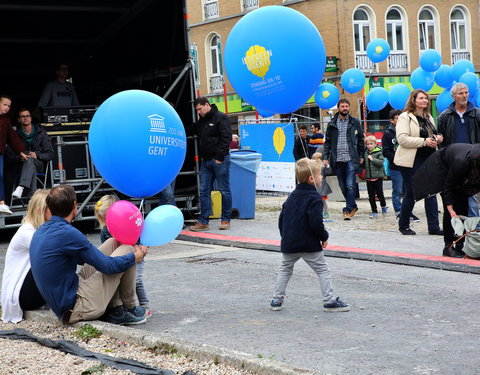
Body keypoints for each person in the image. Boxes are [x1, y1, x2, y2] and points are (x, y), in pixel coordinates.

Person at [29, 185, 148, 325]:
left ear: (49, 207)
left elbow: (84, 259)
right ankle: (125, 308)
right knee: (128, 249)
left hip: (69, 296)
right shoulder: (68, 233)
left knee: (113, 242)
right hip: (76, 307)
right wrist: (135, 257)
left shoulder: (41, 230)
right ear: (74, 206)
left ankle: (119, 307)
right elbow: (108, 266)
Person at [270, 157, 349, 312]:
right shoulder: (315, 198)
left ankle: (276, 300)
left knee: (285, 270)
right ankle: (329, 301)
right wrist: (324, 237)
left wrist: (285, 237)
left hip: (290, 242)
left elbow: (282, 219)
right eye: (320, 175)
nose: (322, 177)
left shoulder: (291, 196)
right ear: (311, 179)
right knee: (322, 270)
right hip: (309, 244)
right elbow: (316, 223)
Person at [413, 143, 480, 257]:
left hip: (463, 170)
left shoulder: (474, 164)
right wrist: (451, 210)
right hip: (443, 168)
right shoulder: (461, 163)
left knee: (463, 207)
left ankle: (459, 246)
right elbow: (447, 186)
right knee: (452, 213)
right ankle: (448, 247)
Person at [394, 89, 443, 236]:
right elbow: (402, 139)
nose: (425, 101)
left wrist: (438, 138)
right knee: (412, 192)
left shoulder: (428, 116)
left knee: (431, 192)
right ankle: (403, 225)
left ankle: (434, 227)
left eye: (426, 99)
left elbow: (432, 134)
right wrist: (424, 142)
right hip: (411, 160)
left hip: (429, 159)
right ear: (413, 100)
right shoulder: (405, 117)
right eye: (421, 98)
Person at [95, 194, 151, 317]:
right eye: (103, 218)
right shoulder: (106, 229)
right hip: (121, 258)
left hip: (136, 254)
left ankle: (144, 304)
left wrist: (145, 244)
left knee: (136, 281)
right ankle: (123, 306)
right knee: (120, 282)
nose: (106, 221)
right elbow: (105, 246)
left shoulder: (129, 219)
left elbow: (142, 231)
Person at [1, 189, 50, 323]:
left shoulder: (36, 230)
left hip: (25, 291)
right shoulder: (27, 232)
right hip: (19, 296)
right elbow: (51, 250)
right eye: (53, 209)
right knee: (52, 262)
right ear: (41, 210)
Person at [437, 82, 480, 221]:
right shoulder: (444, 116)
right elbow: (441, 141)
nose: (465, 96)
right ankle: (457, 226)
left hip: (474, 159)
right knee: (454, 194)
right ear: (453, 96)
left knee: (473, 194)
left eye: (466, 92)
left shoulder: (477, 114)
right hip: (454, 162)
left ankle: (474, 227)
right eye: (461, 93)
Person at [189, 97, 232, 231]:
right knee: (204, 191)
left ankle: (225, 220)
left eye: (200, 109)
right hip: (206, 161)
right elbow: (191, 129)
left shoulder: (221, 117)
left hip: (219, 160)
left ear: (207, 105)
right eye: (197, 110)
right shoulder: (202, 122)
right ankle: (203, 221)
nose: (199, 112)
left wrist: (219, 157)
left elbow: (227, 137)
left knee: (224, 190)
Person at [323, 98, 365, 220]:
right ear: (339, 108)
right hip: (337, 159)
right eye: (343, 106)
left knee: (351, 185)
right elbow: (327, 143)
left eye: (347, 106)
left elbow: (361, 140)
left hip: (351, 158)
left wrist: (361, 155)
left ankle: (347, 210)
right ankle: (353, 206)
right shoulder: (332, 124)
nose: (345, 108)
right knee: (342, 186)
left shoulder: (355, 122)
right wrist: (325, 157)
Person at [6, 108, 54, 200]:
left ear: (31, 118)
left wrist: (37, 155)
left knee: (31, 159)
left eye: (27, 116)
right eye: (22, 116)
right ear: (19, 120)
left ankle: (21, 187)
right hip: (20, 166)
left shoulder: (41, 133)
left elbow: (50, 154)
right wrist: (20, 158)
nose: (25, 118)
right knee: (30, 164)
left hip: (39, 163)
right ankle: (32, 198)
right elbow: (9, 157)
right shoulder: (14, 135)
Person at [0, 95, 28, 215]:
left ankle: (1, 203)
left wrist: (21, 152)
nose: (7, 108)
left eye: (9, 106)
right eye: (4, 105)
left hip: (0, 153)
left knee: (0, 176)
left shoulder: (5, 121)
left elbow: (12, 138)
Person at [363, 135, 387, 218]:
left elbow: (381, 163)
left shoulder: (379, 152)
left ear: (375, 144)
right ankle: (374, 211)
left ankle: (383, 206)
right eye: (367, 144)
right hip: (369, 178)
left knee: (380, 194)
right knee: (371, 196)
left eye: (371, 144)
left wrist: (373, 159)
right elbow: (364, 165)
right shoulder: (365, 153)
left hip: (378, 177)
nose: (369, 145)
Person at [311, 152, 332, 219]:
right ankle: (316, 212)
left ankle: (325, 212)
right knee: (314, 200)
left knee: (323, 201)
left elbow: (329, 172)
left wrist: (327, 166)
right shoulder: (312, 168)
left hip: (322, 187)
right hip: (314, 186)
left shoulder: (323, 167)